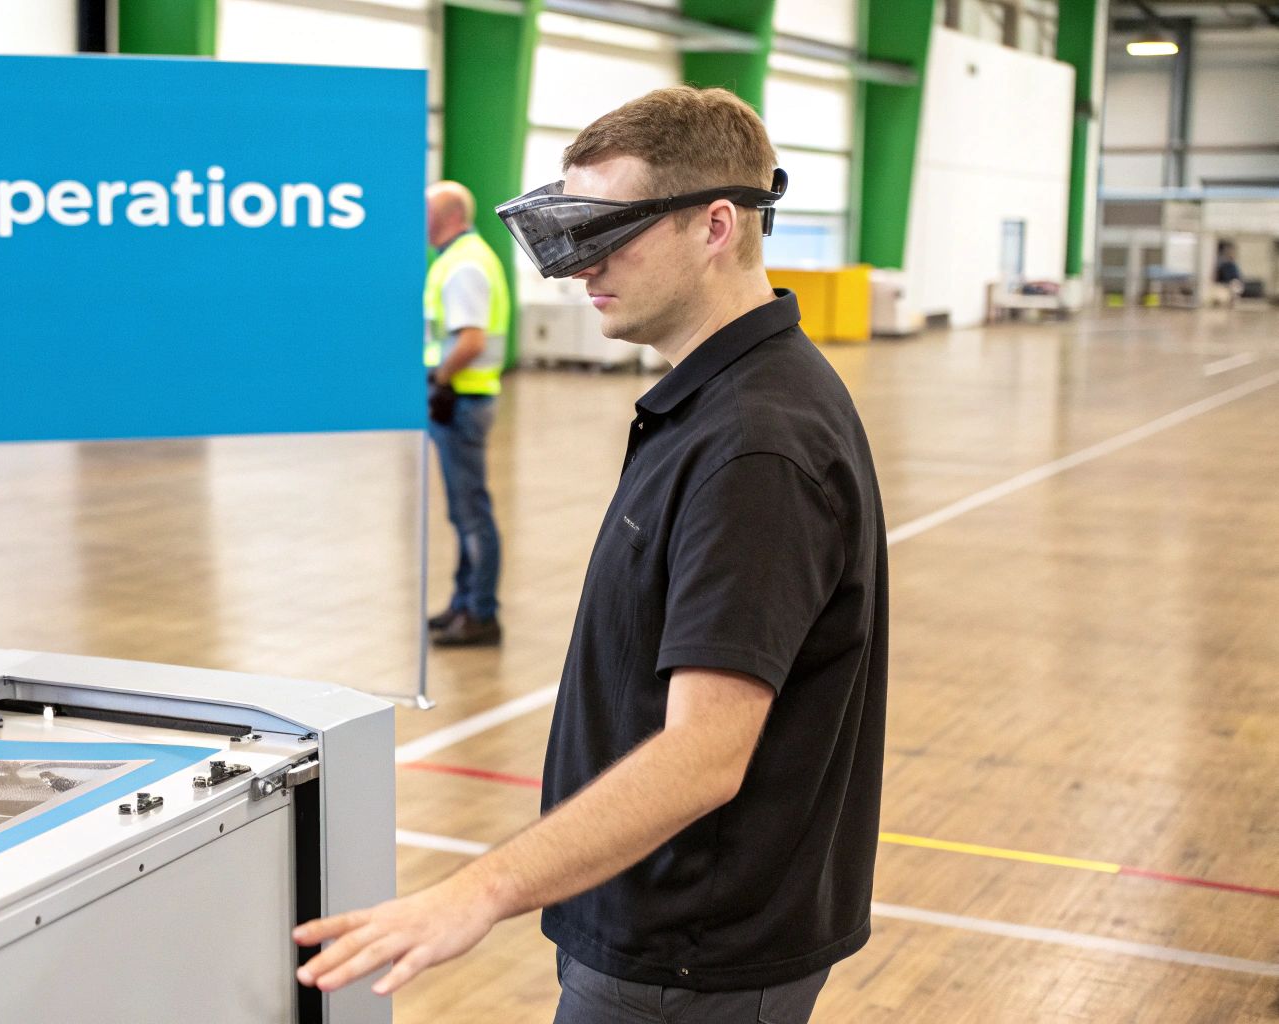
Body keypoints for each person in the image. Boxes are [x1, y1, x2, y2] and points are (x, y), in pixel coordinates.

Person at [293, 86, 887, 1024]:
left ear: (716, 226)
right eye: (572, 231)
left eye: (609, 231)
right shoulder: (720, 400)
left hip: (689, 954)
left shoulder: (755, 444)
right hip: (664, 922)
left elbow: (703, 755)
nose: (581, 267)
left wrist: (478, 890)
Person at [422, 181, 511, 647]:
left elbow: (470, 340)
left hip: (462, 401)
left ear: (451, 215)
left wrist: (438, 379)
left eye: (427, 212)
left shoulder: (464, 265)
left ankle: (480, 612)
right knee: (464, 513)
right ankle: (463, 603)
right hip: (464, 399)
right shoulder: (459, 258)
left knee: (471, 514)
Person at [1213, 240, 1244, 307]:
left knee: (1235, 285)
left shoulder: (1233, 265)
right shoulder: (1223, 265)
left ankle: (1232, 300)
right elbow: (1219, 276)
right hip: (1225, 283)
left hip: (1232, 282)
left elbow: (1237, 277)